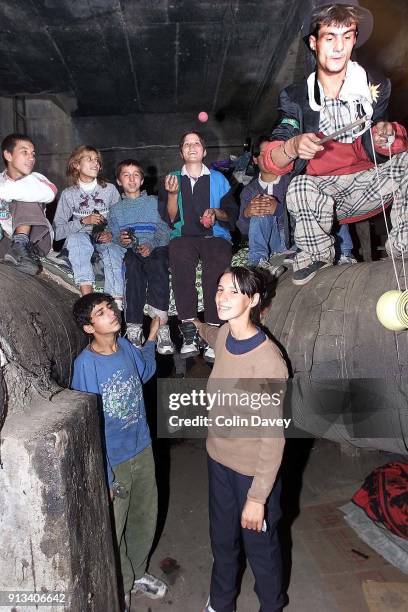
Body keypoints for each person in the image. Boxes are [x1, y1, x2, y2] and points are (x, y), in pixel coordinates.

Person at [261, 0, 408, 285]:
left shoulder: (376, 86)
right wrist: (291, 147)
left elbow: (392, 137)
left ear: (354, 40)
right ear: (314, 42)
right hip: (323, 195)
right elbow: (272, 159)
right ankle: (316, 253)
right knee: (299, 185)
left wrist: (386, 135)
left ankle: (403, 247)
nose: (339, 47)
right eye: (330, 37)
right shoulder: (295, 97)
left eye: (347, 36)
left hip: (369, 185)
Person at [193, 266, 288, 612]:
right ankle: (220, 603)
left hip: (252, 472)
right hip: (218, 461)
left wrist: (257, 497)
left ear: (254, 300)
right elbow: (211, 334)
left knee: (260, 548)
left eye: (234, 292)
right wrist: (196, 326)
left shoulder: (267, 362)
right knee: (222, 541)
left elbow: (272, 438)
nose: (222, 297)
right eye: (220, 289)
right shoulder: (223, 337)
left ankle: (272, 606)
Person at [71, 293, 167, 611]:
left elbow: (144, 372)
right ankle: (121, 588)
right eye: (100, 312)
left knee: (144, 517)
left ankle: (137, 574)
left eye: (110, 307)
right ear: (89, 327)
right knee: (116, 527)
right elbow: (87, 426)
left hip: (141, 448)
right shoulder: (85, 366)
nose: (111, 313)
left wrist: (152, 335)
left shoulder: (125, 346)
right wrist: (106, 474)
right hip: (114, 460)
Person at [158, 131, 238, 361]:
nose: (191, 147)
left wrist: (215, 213)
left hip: (215, 236)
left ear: (204, 151)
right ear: (181, 152)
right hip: (184, 236)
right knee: (180, 261)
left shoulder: (219, 179)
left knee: (216, 268)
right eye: (186, 144)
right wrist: (172, 195)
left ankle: (213, 331)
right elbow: (171, 219)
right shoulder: (172, 178)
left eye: (196, 143)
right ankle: (190, 331)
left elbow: (229, 213)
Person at [108, 159, 174, 355]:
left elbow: (165, 230)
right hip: (133, 250)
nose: (131, 178)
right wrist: (124, 241)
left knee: (159, 264)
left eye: (136, 174)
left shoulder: (154, 202)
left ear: (142, 179)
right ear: (119, 181)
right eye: (126, 175)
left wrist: (151, 245)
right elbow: (115, 236)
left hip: (156, 246)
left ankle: (161, 324)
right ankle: (134, 327)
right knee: (132, 268)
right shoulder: (116, 210)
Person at [53, 145, 125, 303]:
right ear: (76, 165)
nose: (95, 163)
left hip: (104, 240)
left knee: (112, 250)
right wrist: (82, 222)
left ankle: (116, 301)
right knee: (77, 239)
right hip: (80, 243)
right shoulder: (68, 194)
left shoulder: (110, 190)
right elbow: (57, 232)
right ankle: (88, 298)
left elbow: (121, 220)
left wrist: (111, 233)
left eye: (97, 160)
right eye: (90, 159)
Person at [0, 133, 57, 275]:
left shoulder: (36, 179)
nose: (31, 158)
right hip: (6, 241)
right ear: (8, 155)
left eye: (33, 154)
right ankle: (15, 252)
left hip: (36, 241)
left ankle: (20, 245)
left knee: (26, 195)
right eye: (24, 152)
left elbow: (51, 193)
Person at [237, 135, 293, 269]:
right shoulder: (249, 190)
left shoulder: (291, 181)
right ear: (255, 159)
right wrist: (247, 213)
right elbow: (243, 229)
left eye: (273, 154)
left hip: (291, 240)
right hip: (268, 243)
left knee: (264, 206)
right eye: (264, 155)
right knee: (259, 206)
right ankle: (258, 263)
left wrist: (279, 210)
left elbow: (302, 219)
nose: (270, 159)